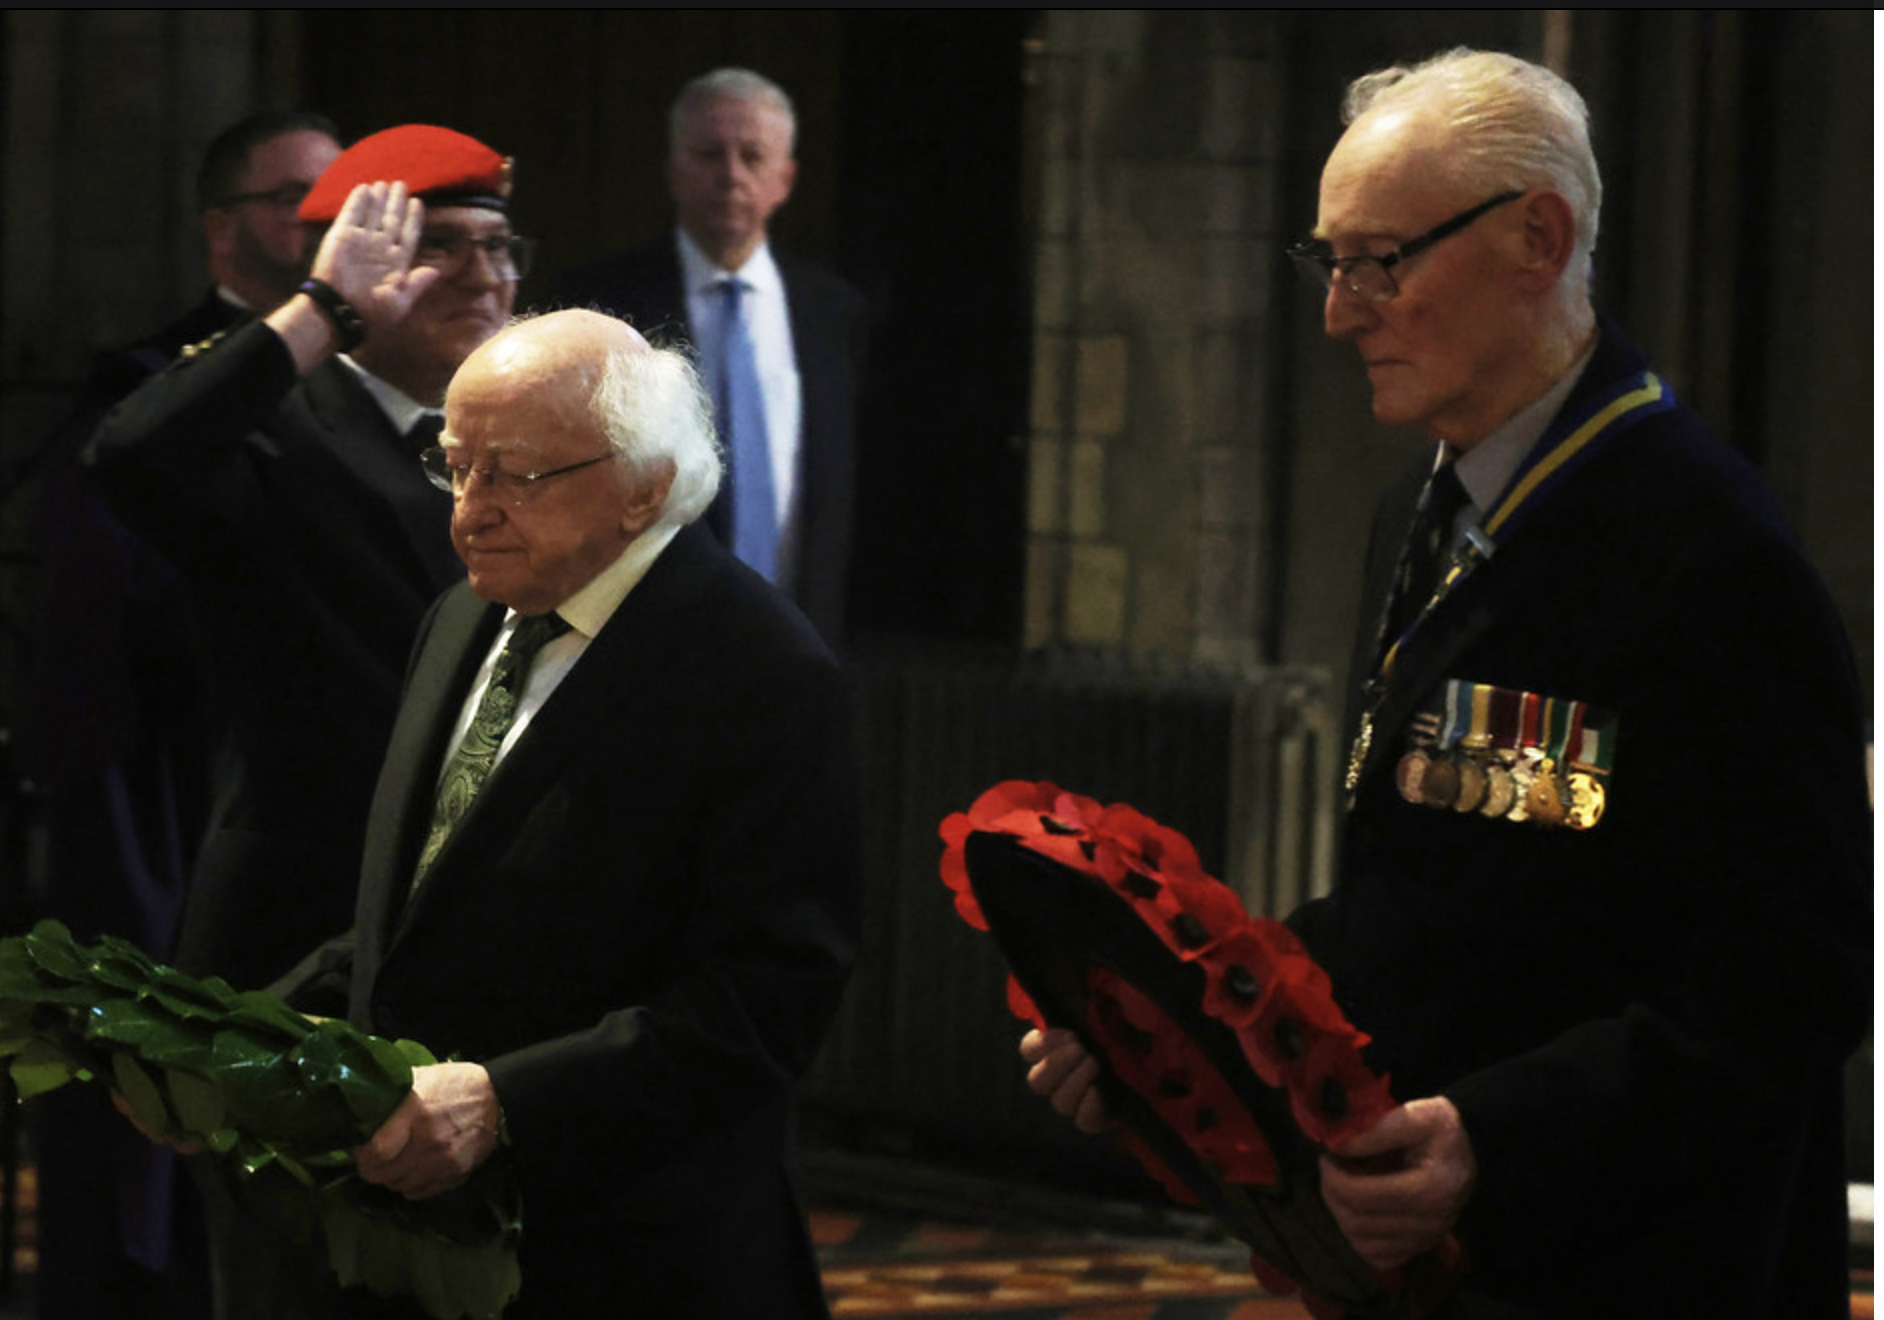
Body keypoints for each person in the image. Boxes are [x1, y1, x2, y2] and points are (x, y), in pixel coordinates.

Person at [1022, 49, 1869, 1319]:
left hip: (1640, 1263)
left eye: (1381, 262)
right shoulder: (1423, 511)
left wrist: (1494, 1133)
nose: (1339, 312)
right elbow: (1439, 900)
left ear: (1538, 237)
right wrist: (1165, 1024)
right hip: (1439, 1265)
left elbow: (1798, 981)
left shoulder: (1702, 549)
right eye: (1330, 263)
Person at [271, 308, 863, 1317]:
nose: (469, 512)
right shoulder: (464, 614)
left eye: (513, 474)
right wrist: (240, 1042)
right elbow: (422, 910)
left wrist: (504, 1104)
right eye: (454, 467)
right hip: (421, 1245)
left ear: (645, 488)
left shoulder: (759, 671)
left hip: (629, 1253)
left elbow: (766, 1003)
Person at [20, 108, 340, 1320]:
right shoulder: (152, 399)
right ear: (224, 230)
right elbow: (103, 675)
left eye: (339, 202)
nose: (322, 227)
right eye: (293, 201)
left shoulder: (382, 395)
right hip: (180, 827)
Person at [83, 124, 522, 992]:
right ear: (361, 268)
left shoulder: (528, 439)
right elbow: (132, 458)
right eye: (440, 246)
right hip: (303, 918)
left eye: (499, 246)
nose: (483, 274)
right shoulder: (276, 428)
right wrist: (323, 311)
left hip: (474, 911)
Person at [551, 67, 866, 648]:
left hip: (802, 638)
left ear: (786, 178)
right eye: (708, 154)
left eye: (752, 157)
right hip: (643, 636)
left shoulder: (833, 312)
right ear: (674, 170)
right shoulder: (606, 307)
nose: (731, 176)